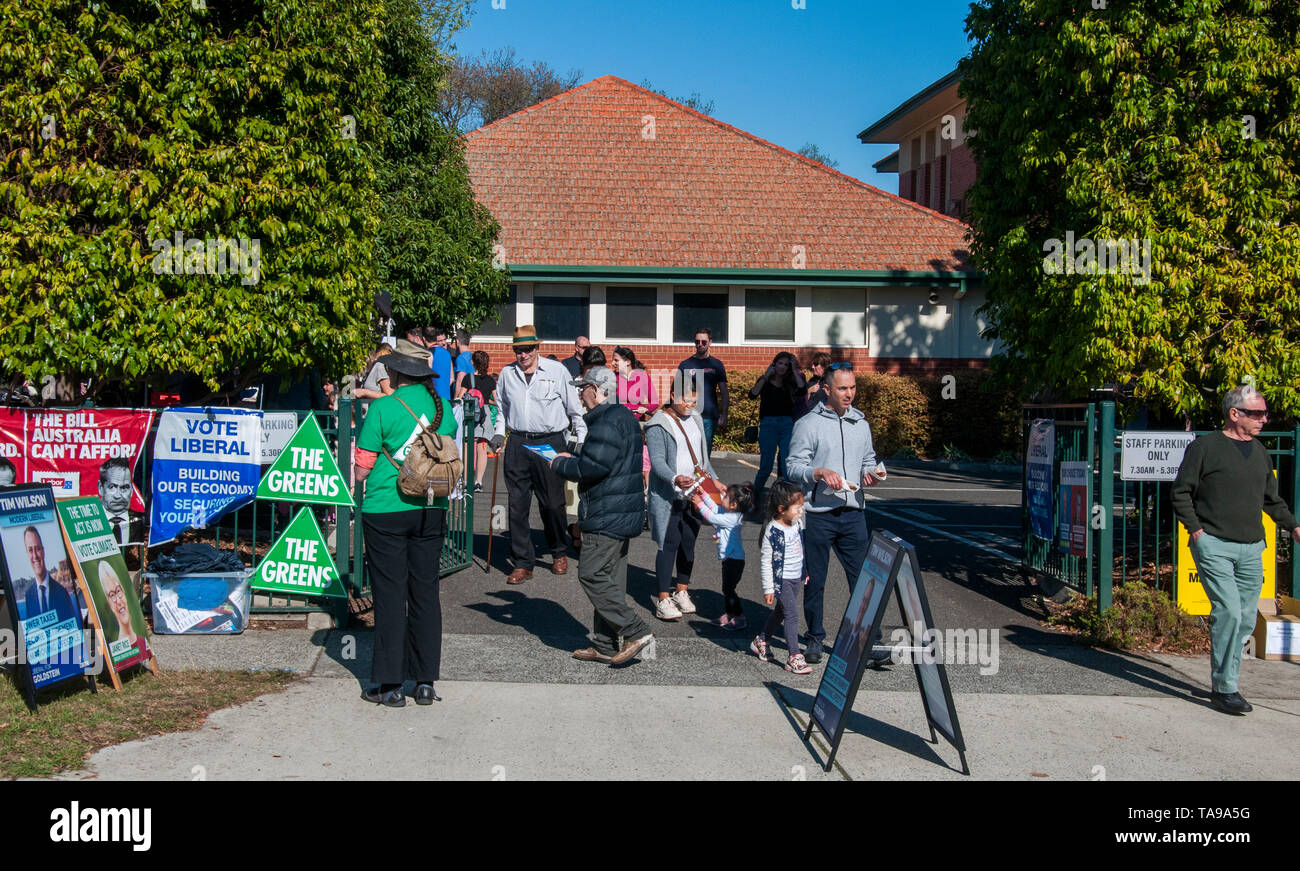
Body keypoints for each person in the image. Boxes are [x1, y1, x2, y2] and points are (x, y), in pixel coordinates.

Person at [1172, 384, 1300, 716]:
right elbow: (1181, 492)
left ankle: (1226, 683)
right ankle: (1225, 688)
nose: (1264, 420)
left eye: (1264, 414)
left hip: (1251, 547)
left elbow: (1271, 501)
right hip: (1213, 543)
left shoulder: (1260, 452)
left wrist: (1293, 525)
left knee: (1245, 618)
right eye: (1257, 414)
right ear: (1235, 414)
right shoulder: (1206, 447)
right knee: (1228, 611)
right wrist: (1197, 531)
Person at [352, 352, 458, 706]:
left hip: (386, 508)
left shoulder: (383, 408)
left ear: (395, 373)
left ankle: (389, 685)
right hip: (431, 508)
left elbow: (363, 467)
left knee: (390, 596)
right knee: (425, 593)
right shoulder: (442, 407)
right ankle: (425, 682)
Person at [549, 366, 655, 665]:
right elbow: (604, 460)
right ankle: (606, 644)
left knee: (591, 573)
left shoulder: (606, 422)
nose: (580, 395)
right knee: (610, 578)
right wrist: (577, 458)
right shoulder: (622, 417)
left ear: (597, 389)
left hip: (606, 511)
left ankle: (636, 630)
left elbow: (592, 468)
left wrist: (560, 464)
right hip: (621, 510)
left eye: (583, 388)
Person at [785, 363, 886, 665]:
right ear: (827, 389)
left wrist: (871, 473)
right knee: (815, 580)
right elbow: (792, 466)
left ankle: (866, 642)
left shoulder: (860, 423)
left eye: (853, 387)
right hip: (818, 514)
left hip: (853, 512)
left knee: (864, 580)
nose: (849, 394)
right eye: (842, 388)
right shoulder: (808, 424)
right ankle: (814, 638)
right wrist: (816, 472)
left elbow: (868, 459)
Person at [490, 325, 587, 585]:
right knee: (517, 505)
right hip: (519, 442)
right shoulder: (507, 375)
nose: (523, 355)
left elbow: (575, 411)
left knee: (553, 503)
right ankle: (523, 562)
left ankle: (558, 551)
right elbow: (501, 410)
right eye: (518, 350)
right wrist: (499, 433)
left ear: (537, 348)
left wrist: (578, 441)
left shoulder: (557, 371)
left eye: (528, 349)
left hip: (550, 442)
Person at [644, 381, 722, 620]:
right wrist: (675, 478)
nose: (690, 405)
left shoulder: (696, 419)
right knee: (669, 543)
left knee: (688, 542)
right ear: (672, 395)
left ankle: (681, 590)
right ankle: (663, 598)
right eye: (686, 400)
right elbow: (657, 462)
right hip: (670, 495)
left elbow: (703, 459)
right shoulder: (658, 424)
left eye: (694, 401)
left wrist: (715, 480)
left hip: (696, 493)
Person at [750, 481, 812, 674]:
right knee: (791, 614)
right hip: (781, 580)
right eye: (797, 508)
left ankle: (761, 639)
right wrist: (768, 588)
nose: (801, 511)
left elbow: (801, 548)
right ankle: (794, 656)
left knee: (780, 612)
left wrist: (806, 569)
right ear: (781, 509)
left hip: (796, 576)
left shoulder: (797, 522)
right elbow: (766, 562)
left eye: (802, 507)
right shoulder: (773, 530)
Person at [690, 481, 755, 629]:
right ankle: (729, 615)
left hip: (734, 561)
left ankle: (738, 617)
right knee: (727, 589)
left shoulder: (732, 518)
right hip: (730, 559)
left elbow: (712, 517)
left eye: (726, 497)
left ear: (733, 505)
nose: (722, 497)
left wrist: (699, 504)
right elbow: (714, 507)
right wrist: (703, 494)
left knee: (729, 589)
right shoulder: (730, 513)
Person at [749, 351, 806, 494]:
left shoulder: (790, 383)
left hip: (787, 424)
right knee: (766, 466)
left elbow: (802, 389)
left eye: (786, 364)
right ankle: (754, 497)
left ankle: (786, 498)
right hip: (768, 424)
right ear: (774, 364)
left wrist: (794, 369)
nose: (782, 367)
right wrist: (766, 375)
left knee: (787, 463)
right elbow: (753, 394)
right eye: (780, 363)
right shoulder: (765, 381)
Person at [612, 346, 657, 496]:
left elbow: (654, 401)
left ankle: (640, 491)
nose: (613, 363)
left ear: (628, 362)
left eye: (616, 360)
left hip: (636, 424)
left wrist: (644, 409)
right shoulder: (613, 378)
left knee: (638, 460)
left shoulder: (642, 377)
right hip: (617, 425)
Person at [677, 327, 728, 454]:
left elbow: (724, 392)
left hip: (709, 417)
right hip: (689, 416)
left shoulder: (717, 365)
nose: (700, 345)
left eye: (703, 342)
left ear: (710, 342)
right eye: (697, 342)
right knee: (688, 452)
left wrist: (724, 414)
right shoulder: (685, 365)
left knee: (705, 453)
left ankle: (704, 474)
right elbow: (677, 392)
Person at [21, 526, 78, 624]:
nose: (35, 556)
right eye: (30, 550)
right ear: (27, 553)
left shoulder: (62, 593)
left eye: (37, 549)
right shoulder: (29, 596)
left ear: (43, 551)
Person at [97, 560, 148, 661]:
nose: (118, 601)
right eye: (112, 595)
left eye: (118, 591)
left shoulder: (144, 643)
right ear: (108, 603)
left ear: (124, 591)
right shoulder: (115, 654)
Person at [466, 350, 498, 493]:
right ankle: (478, 481)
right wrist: (487, 401)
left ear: (473, 362)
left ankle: (466, 481)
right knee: (482, 448)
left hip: (471, 413)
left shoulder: (468, 378)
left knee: (468, 447)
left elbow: (461, 396)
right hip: (484, 414)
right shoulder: (490, 380)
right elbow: (496, 400)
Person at [98, 458, 145, 547]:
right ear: (101, 488)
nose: (118, 495)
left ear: (131, 490)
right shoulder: (91, 522)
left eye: (124, 488)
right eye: (112, 487)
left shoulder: (141, 521)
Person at [355, 342, 394, 412]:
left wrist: (364, 392)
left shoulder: (380, 366)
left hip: (377, 415)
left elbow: (389, 395)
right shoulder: (373, 367)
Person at [452, 329, 474, 398]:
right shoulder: (473, 356)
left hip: (464, 397)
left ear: (457, 341)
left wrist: (456, 399)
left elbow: (460, 379)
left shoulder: (461, 358)